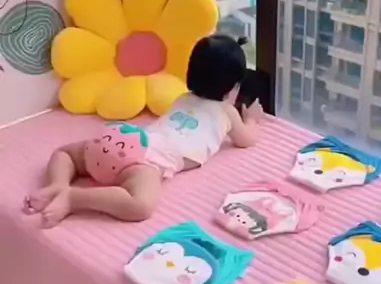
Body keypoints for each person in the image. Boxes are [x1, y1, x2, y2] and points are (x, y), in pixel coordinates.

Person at [24, 35, 263, 227]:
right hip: (145, 161)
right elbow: (246, 140)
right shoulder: (227, 113)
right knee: (140, 205)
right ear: (234, 88)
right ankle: (73, 197)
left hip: (124, 135)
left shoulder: (182, 98)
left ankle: (56, 184)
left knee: (65, 154)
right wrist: (251, 120)